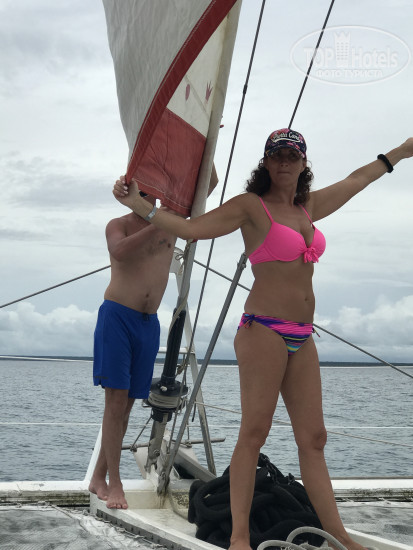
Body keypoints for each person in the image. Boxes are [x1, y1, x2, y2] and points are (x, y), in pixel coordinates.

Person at [113, 129, 413, 549]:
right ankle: (239, 537)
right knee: (254, 432)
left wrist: (401, 151)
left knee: (314, 438)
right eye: (277, 156)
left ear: (304, 163)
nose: (284, 162)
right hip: (263, 329)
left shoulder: (309, 207)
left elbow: (356, 180)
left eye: (292, 156)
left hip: (302, 334)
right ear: (267, 163)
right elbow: (191, 229)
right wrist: (140, 206)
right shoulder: (251, 207)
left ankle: (339, 536)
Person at [88, 195, 179, 510]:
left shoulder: (173, 223)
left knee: (126, 406)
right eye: (137, 192)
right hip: (117, 316)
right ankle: (115, 483)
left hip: (148, 323)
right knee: (115, 402)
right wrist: (157, 221)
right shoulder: (119, 225)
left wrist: (165, 219)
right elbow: (119, 251)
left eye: (147, 192)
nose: (142, 197)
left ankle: (98, 477)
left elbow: (209, 183)